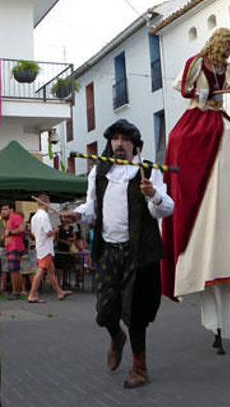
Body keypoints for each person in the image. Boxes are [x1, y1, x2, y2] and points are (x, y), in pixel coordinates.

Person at [161, 28, 230, 353]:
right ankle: (197, 198)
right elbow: (183, 87)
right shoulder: (198, 63)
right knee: (182, 142)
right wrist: (200, 95)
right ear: (216, 43)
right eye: (227, 43)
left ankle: (227, 199)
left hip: (219, 119)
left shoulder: (227, 69)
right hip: (198, 117)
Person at [62, 119, 174, 389]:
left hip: (138, 254)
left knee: (135, 313)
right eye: (115, 139)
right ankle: (116, 337)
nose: (119, 144)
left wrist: (153, 195)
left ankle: (139, 368)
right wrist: (77, 214)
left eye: (125, 139)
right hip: (108, 251)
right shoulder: (99, 172)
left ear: (134, 144)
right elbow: (92, 208)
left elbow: (167, 209)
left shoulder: (148, 171)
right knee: (104, 311)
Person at [27, 195, 71, 303]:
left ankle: (59, 292)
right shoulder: (44, 216)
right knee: (41, 270)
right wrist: (56, 230)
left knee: (51, 271)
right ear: (47, 203)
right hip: (45, 248)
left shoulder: (34, 217)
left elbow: (33, 233)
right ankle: (32, 295)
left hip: (41, 246)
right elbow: (48, 233)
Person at [4, 205, 26, 299]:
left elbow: (22, 228)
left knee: (14, 270)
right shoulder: (9, 219)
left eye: (5, 209)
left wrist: (9, 233)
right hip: (11, 246)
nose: (3, 211)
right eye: (2, 209)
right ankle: (17, 291)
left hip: (15, 246)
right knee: (14, 269)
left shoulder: (15, 216)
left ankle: (15, 292)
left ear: (11, 209)